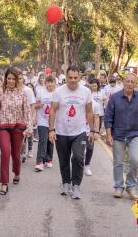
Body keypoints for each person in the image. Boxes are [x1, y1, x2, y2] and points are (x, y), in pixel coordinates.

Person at [49, 66, 94, 199]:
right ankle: (66, 183)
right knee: (64, 160)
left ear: (79, 77)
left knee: (79, 158)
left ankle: (76, 186)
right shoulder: (58, 91)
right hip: (62, 131)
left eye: (75, 78)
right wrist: (51, 129)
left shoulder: (86, 91)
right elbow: (52, 110)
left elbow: (90, 111)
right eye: (70, 78)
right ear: (66, 77)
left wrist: (92, 130)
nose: (73, 80)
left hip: (79, 131)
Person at [105, 73, 138, 200]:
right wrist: (109, 135)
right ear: (123, 82)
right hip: (118, 135)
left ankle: (130, 186)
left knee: (135, 160)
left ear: (136, 84)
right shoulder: (114, 98)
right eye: (128, 81)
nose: (130, 84)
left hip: (135, 134)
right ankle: (119, 187)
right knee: (118, 162)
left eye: (132, 82)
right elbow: (108, 117)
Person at [0, 67, 32, 195]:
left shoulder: (22, 93)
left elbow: (27, 111)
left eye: (13, 79)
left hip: (18, 126)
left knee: (16, 154)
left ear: (17, 80)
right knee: (5, 152)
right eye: (8, 78)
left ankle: (17, 172)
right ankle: (4, 182)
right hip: (3, 126)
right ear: (6, 79)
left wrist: (29, 127)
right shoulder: (0, 92)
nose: (10, 81)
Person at [35, 75, 56, 172]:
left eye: (52, 82)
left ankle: (49, 159)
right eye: (48, 82)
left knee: (50, 140)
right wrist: (40, 105)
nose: (50, 84)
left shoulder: (57, 93)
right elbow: (35, 105)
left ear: (54, 83)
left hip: (53, 121)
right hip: (42, 120)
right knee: (43, 140)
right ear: (45, 83)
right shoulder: (40, 92)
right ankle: (40, 161)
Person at [17, 71, 36, 162]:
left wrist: (31, 118)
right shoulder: (12, 89)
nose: (18, 80)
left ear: (23, 79)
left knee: (23, 137)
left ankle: (23, 152)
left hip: (25, 118)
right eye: (17, 78)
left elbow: (32, 104)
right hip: (14, 117)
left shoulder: (28, 90)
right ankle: (19, 152)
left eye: (20, 78)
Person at [84, 100, 101, 176]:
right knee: (78, 151)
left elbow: (97, 118)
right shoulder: (79, 102)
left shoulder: (95, 105)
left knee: (89, 148)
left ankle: (87, 165)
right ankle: (78, 166)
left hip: (90, 131)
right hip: (78, 131)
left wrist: (97, 132)